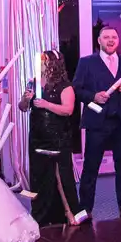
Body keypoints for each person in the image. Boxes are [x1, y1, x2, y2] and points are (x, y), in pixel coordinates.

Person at [71, 24, 121, 219]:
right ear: (99, 41)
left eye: (114, 37)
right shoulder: (86, 63)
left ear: (118, 41)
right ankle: (85, 208)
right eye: (106, 37)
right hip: (97, 123)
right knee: (91, 168)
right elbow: (76, 90)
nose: (110, 40)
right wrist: (93, 96)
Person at [22, 50, 82, 226]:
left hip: (57, 136)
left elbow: (68, 110)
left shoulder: (65, 86)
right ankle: (40, 214)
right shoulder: (33, 83)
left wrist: (46, 104)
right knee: (39, 175)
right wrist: (26, 100)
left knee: (60, 174)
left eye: (44, 61)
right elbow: (22, 107)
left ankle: (66, 212)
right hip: (37, 135)